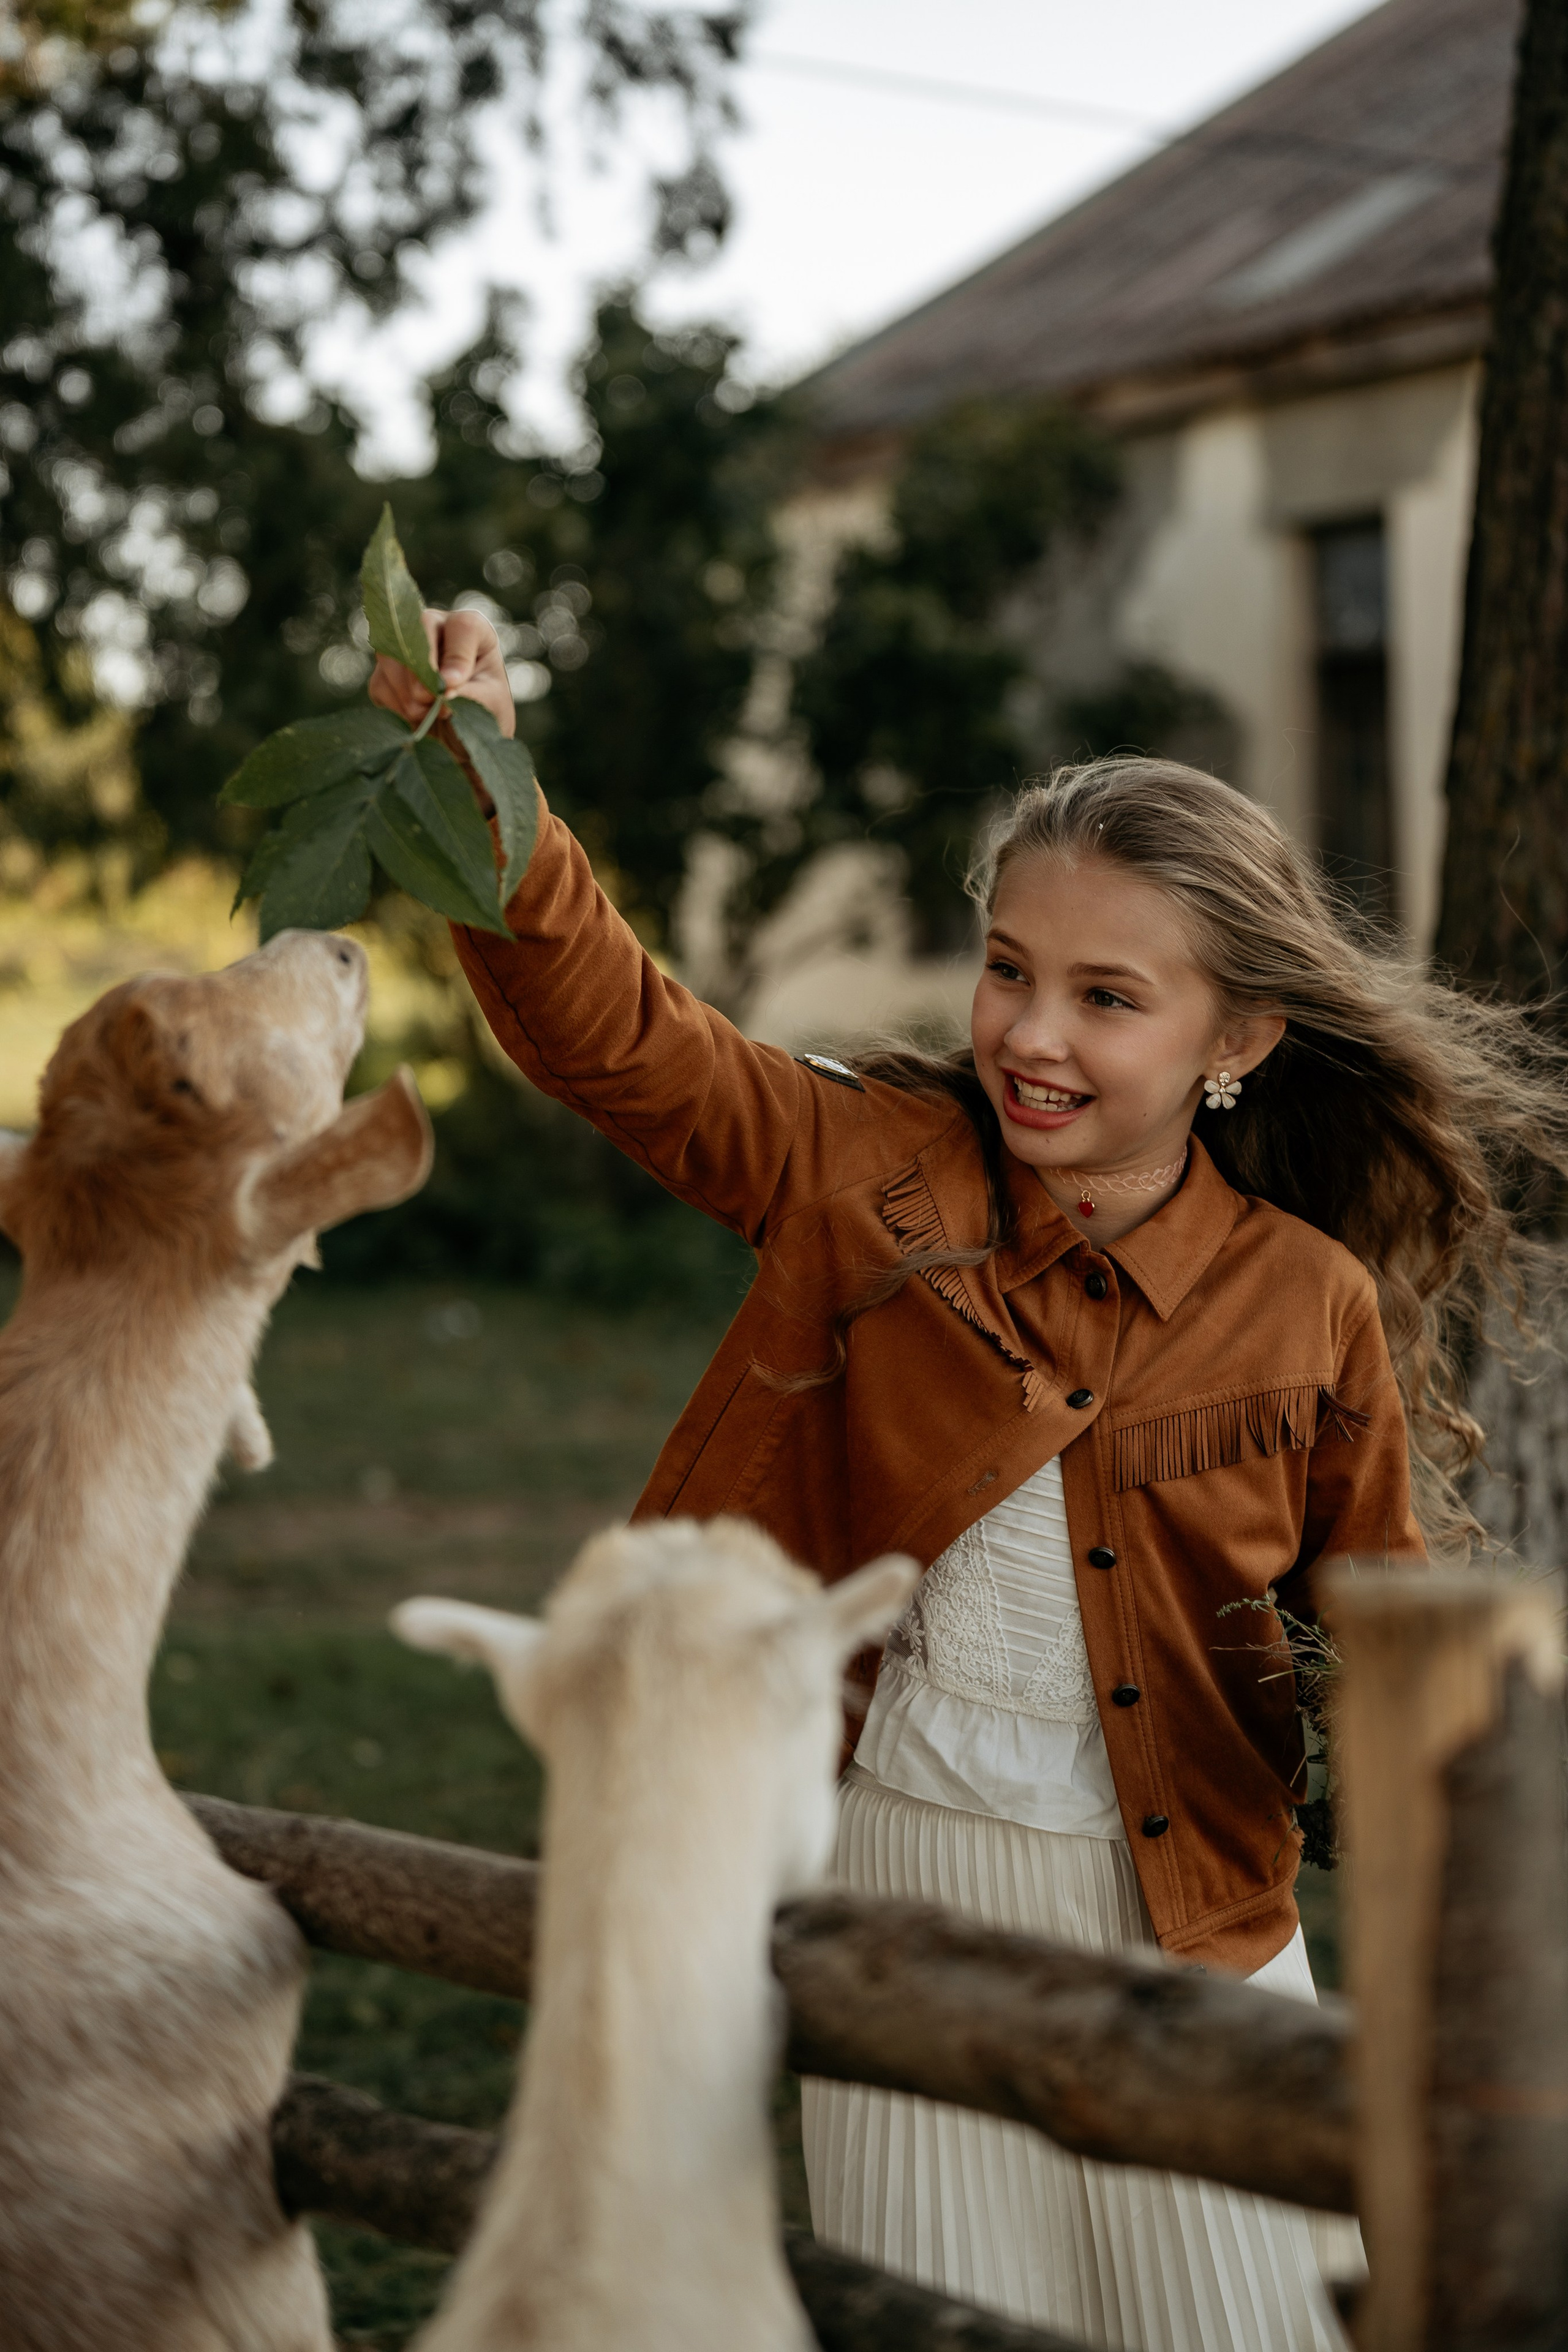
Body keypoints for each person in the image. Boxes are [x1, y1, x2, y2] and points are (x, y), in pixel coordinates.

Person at [369, 613, 1568, 2352]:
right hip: (896, 1878)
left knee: (1259, 2324)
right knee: (945, 2324)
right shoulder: (865, 1169)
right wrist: (491, 783)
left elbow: (1383, 1634)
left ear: (1236, 1038)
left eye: (1107, 996)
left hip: (1198, 1921)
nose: (1033, 1033)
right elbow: (624, 1045)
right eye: (1009, 968)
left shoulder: (1303, 1300)